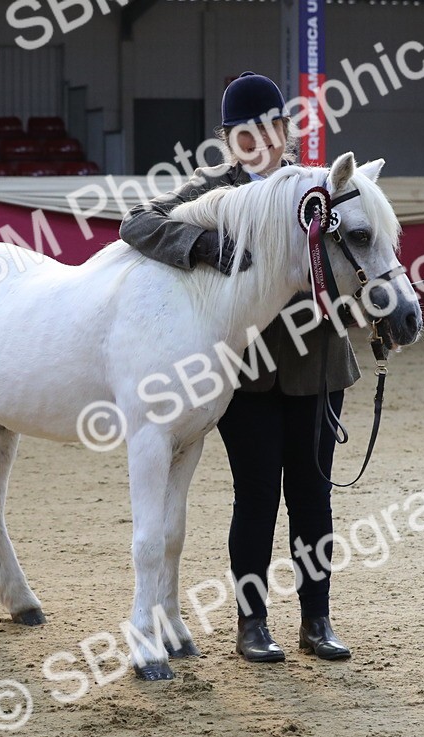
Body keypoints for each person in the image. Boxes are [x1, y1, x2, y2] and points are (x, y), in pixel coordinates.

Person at [120, 72, 357, 662]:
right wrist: (201, 246)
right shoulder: (213, 190)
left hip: (316, 360)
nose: (258, 141)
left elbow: (353, 245)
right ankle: (253, 623)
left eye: (268, 127)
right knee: (255, 498)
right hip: (244, 370)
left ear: (285, 128)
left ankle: (317, 619)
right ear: (227, 139)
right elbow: (136, 224)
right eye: (242, 132)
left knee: (313, 495)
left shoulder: (316, 186)